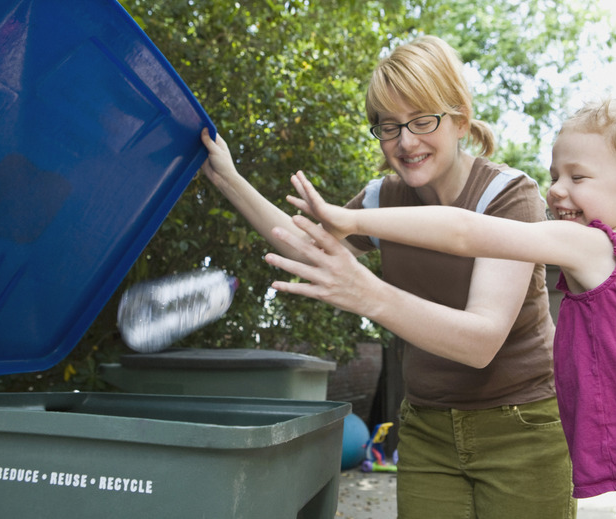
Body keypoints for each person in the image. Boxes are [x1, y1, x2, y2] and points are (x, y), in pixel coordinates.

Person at [265, 97, 616, 519]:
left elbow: (465, 231)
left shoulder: (595, 246)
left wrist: (352, 219)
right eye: (555, 175)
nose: (557, 190)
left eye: (577, 177)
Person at [201, 35, 575, 518]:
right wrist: (228, 176)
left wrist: (368, 294)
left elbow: (481, 342)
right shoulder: (381, 200)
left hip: (522, 424)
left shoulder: (507, 196)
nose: (405, 141)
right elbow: (309, 246)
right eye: (389, 126)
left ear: (460, 118)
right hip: (428, 426)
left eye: (423, 120)